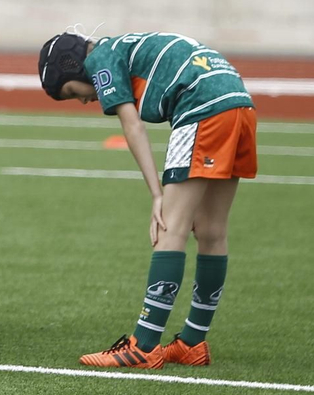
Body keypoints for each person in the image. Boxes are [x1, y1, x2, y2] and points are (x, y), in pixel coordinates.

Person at [38, 31, 256, 369]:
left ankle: (144, 345)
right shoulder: (123, 46)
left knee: (170, 226)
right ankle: (192, 343)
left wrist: (157, 194)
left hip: (202, 106)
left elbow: (132, 126)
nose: (82, 100)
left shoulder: (100, 59)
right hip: (238, 102)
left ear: (73, 65)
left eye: (72, 92)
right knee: (212, 231)